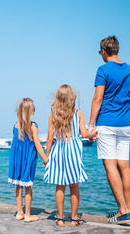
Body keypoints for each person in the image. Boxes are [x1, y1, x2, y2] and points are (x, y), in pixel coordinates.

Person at [88, 36, 130, 224]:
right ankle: (127, 210)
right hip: (125, 124)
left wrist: (91, 125)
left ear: (103, 51)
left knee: (110, 166)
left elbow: (97, 99)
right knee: (124, 165)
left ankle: (122, 211)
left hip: (107, 124)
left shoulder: (102, 70)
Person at [43, 85, 97, 227]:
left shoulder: (53, 116)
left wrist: (47, 156)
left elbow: (49, 138)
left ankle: (60, 218)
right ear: (72, 98)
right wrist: (94, 133)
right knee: (74, 186)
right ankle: (73, 218)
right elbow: (84, 134)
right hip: (73, 152)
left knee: (60, 186)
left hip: (58, 151)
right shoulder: (78, 114)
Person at [8, 98, 48, 222]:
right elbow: (37, 144)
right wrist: (46, 159)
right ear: (32, 111)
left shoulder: (16, 125)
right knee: (28, 187)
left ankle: (19, 213)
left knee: (19, 186)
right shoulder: (33, 126)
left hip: (16, 161)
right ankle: (28, 215)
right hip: (27, 160)